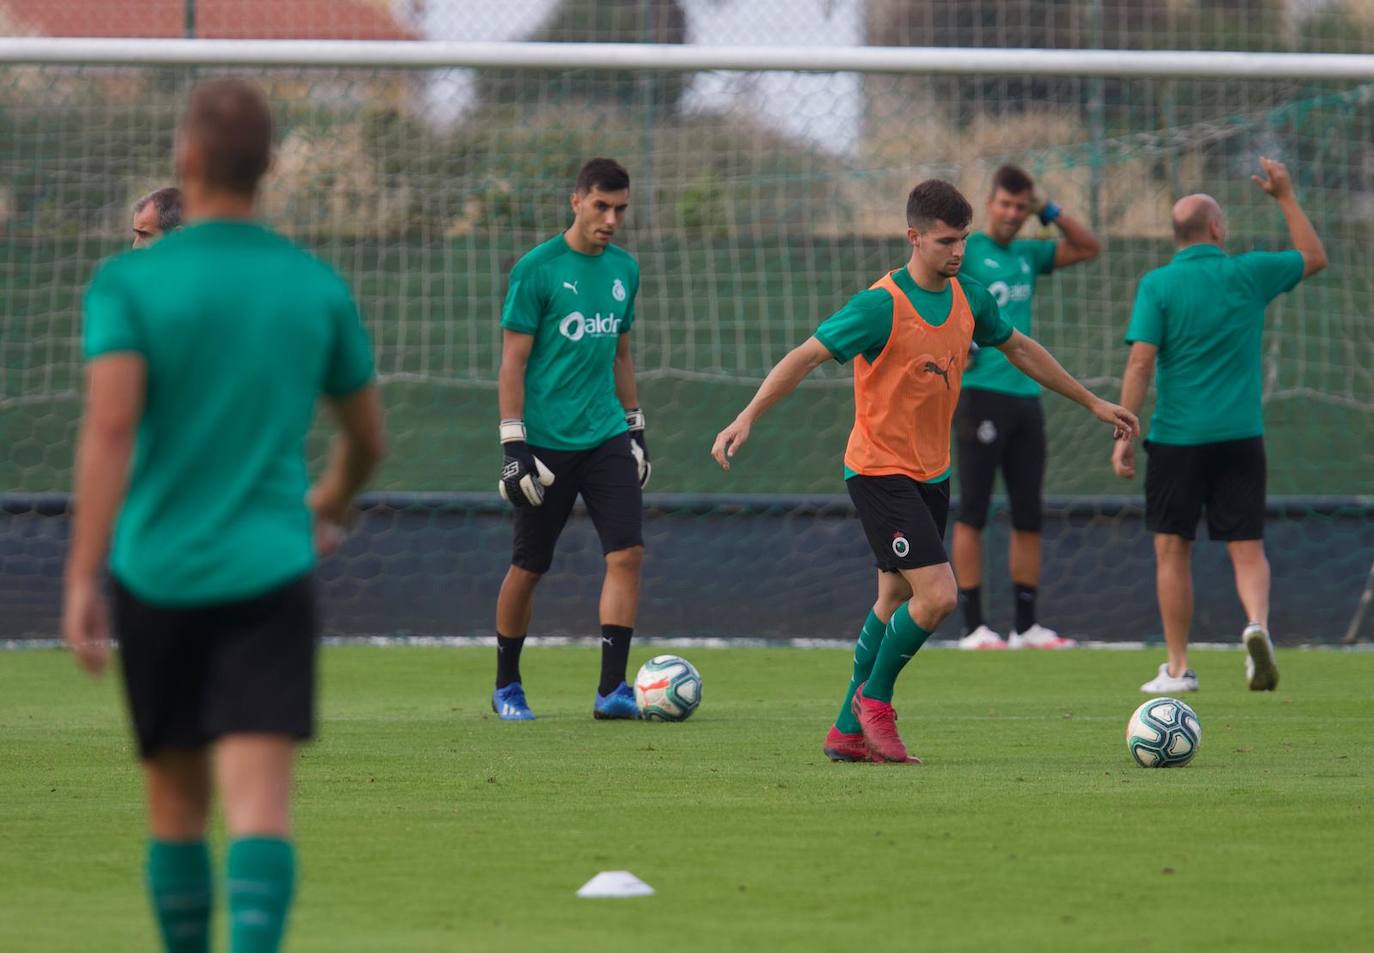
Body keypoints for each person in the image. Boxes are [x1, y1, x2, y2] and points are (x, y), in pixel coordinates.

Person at [62, 78, 385, 953]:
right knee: (259, 811)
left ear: (188, 161)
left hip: (155, 571)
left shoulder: (127, 286)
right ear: (269, 166)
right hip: (268, 572)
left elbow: (111, 430)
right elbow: (365, 438)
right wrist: (329, 501)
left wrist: (83, 572)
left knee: (174, 808)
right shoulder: (312, 286)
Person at [710, 180, 1137, 764]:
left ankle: (843, 730)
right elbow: (806, 355)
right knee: (936, 597)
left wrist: (1092, 402)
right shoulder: (881, 304)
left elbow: (1020, 348)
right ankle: (876, 703)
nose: (957, 252)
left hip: (932, 474)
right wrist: (747, 415)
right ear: (914, 237)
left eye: (962, 240)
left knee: (891, 598)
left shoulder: (971, 298)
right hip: (878, 470)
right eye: (944, 242)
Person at [1113, 157, 1326, 694]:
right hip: (1240, 437)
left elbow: (1141, 362)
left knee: (1171, 550)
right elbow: (1313, 256)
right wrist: (1283, 196)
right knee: (1247, 545)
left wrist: (1122, 431)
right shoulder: (1248, 272)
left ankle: (1180, 668)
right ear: (1216, 228)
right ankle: (1256, 626)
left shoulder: (1158, 284)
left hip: (1177, 440)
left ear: (1176, 234)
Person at [492, 157, 648, 721]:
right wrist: (514, 446)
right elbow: (513, 362)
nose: (611, 219)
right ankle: (507, 683)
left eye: (620, 209)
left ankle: (613, 690)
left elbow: (622, 353)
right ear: (576, 200)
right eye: (602, 206)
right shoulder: (536, 270)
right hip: (546, 445)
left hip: (605, 435)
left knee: (627, 554)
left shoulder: (625, 270)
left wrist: (635, 427)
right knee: (529, 567)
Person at [952, 164, 1101, 650]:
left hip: (1027, 398)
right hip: (979, 396)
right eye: (1006, 204)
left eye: (1021, 206)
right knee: (973, 513)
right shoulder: (966, 251)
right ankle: (973, 627)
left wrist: (1049, 209)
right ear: (989, 204)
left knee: (1028, 515)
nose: (1013, 214)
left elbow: (1088, 247)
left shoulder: (1027, 254)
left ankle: (1026, 626)